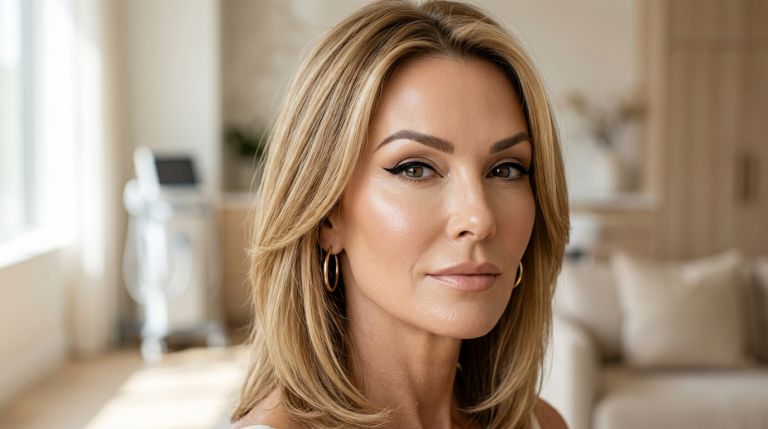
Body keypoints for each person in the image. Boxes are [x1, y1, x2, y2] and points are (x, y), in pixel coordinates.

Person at [232, 1, 569, 428]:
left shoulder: (543, 422)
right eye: (415, 169)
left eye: (505, 170)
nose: (480, 219)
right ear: (327, 216)